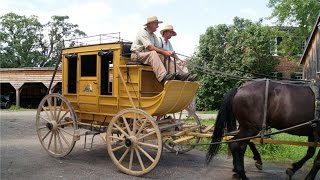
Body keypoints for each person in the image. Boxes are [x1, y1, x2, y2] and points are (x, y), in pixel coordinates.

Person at [130, 16, 189, 83]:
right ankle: (163, 76)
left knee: (164, 55)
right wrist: (164, 52)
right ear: (150, 24)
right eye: (156, 24)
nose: (157, 26)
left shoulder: (153, 35)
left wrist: (168, 52)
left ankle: (178, 75)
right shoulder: (142, 33)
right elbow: (150, 47)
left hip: (146, 54)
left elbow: (158, 48)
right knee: (153, 53)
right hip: (136, 55)